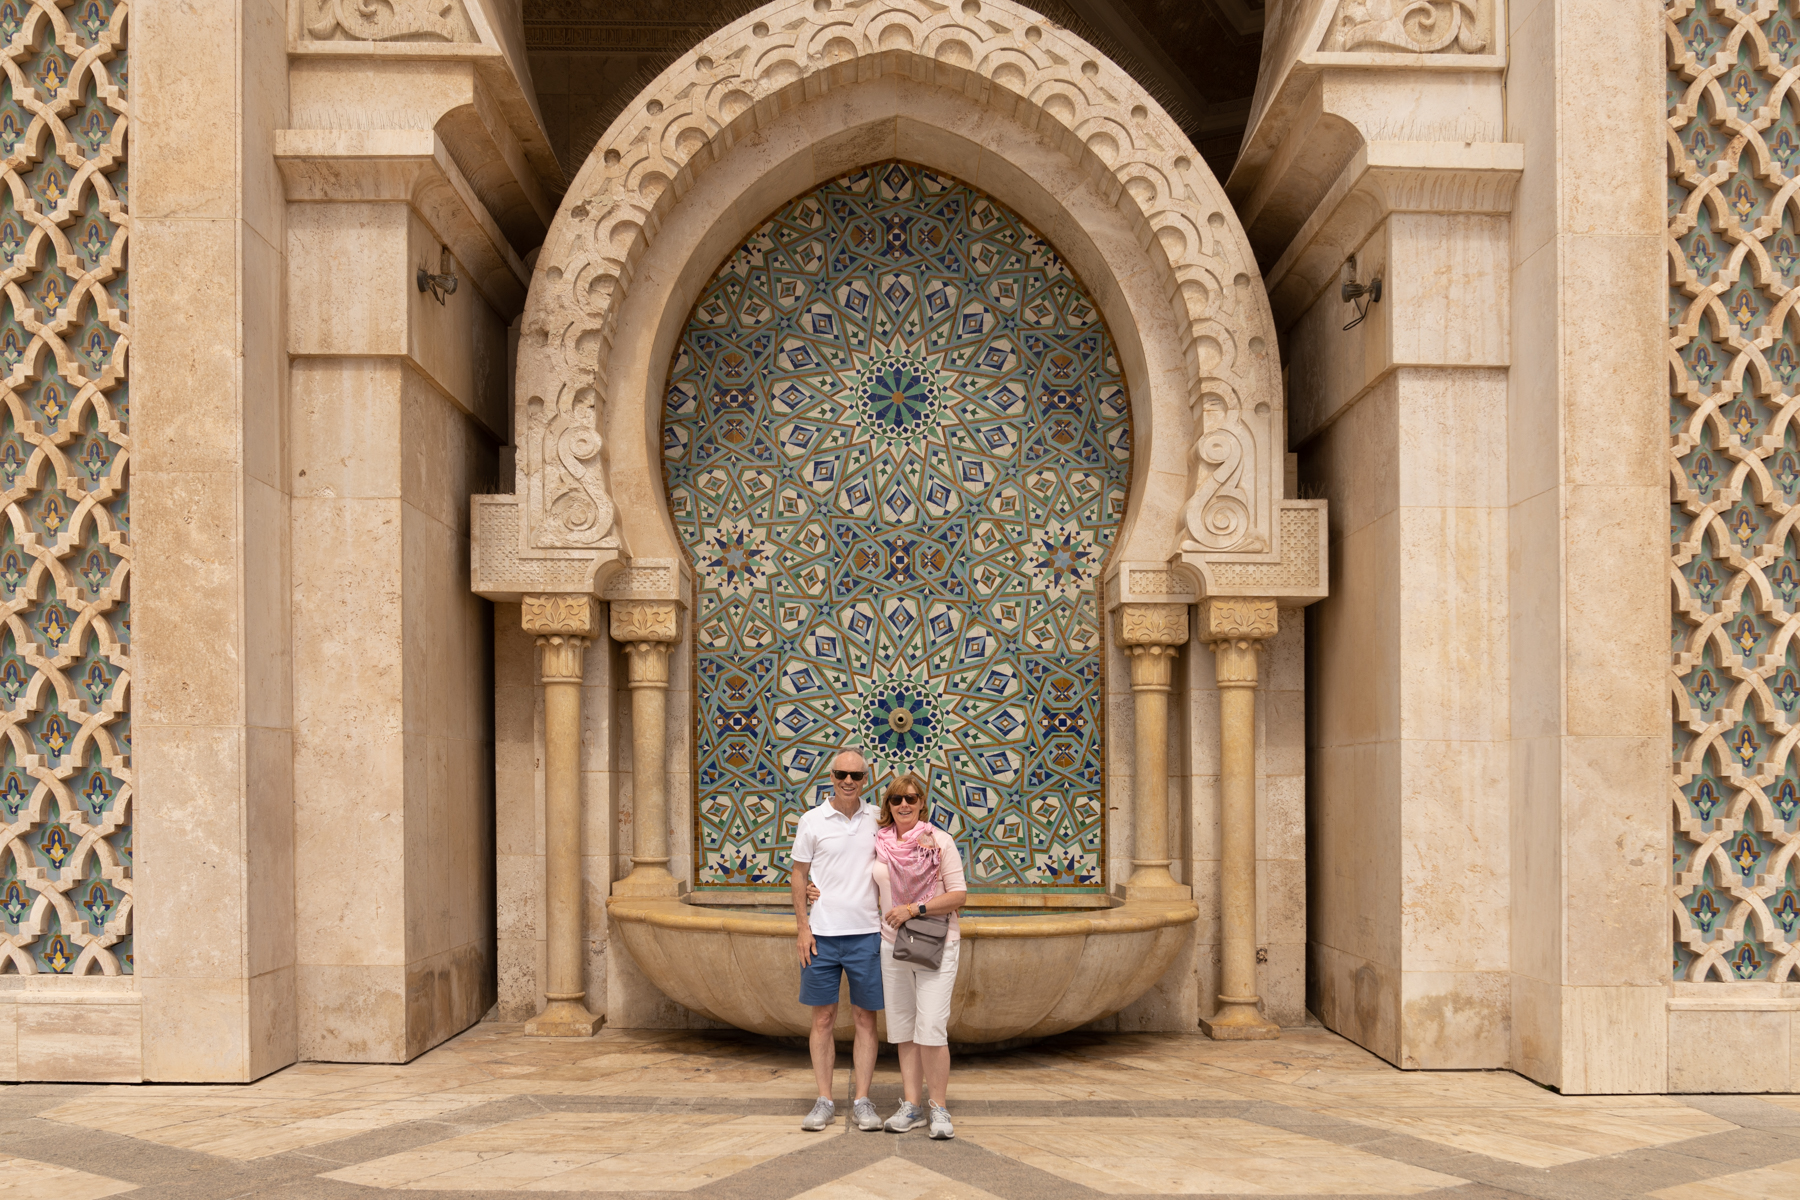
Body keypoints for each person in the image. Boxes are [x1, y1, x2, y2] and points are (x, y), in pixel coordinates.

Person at [790, 748, 884, 1132]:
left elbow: (908, 846)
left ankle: (862, 1100)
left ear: (865, 779)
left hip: (867, 933)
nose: (848, 781)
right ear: (830, 776)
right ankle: (824, 1100)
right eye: (841, 774)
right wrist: (802, 927)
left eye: (856, 776)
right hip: (822, 936)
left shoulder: (878, 817)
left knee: (865, 1019)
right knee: (823, 1019)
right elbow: (799, 874)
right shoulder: (812, 820)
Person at [871, 772, 967, 1139]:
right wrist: (815, 887)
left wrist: (913, 909)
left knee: (931, 1027)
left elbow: (958, 895)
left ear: (921, 803)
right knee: (903, 1028)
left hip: (935, 942)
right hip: (891, 944)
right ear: (888, 805)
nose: (904, 805)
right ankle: (911, 1106)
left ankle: (938, 1107)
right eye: (897, 799)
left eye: (911, 798)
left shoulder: (939, 841)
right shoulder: (879, 843)